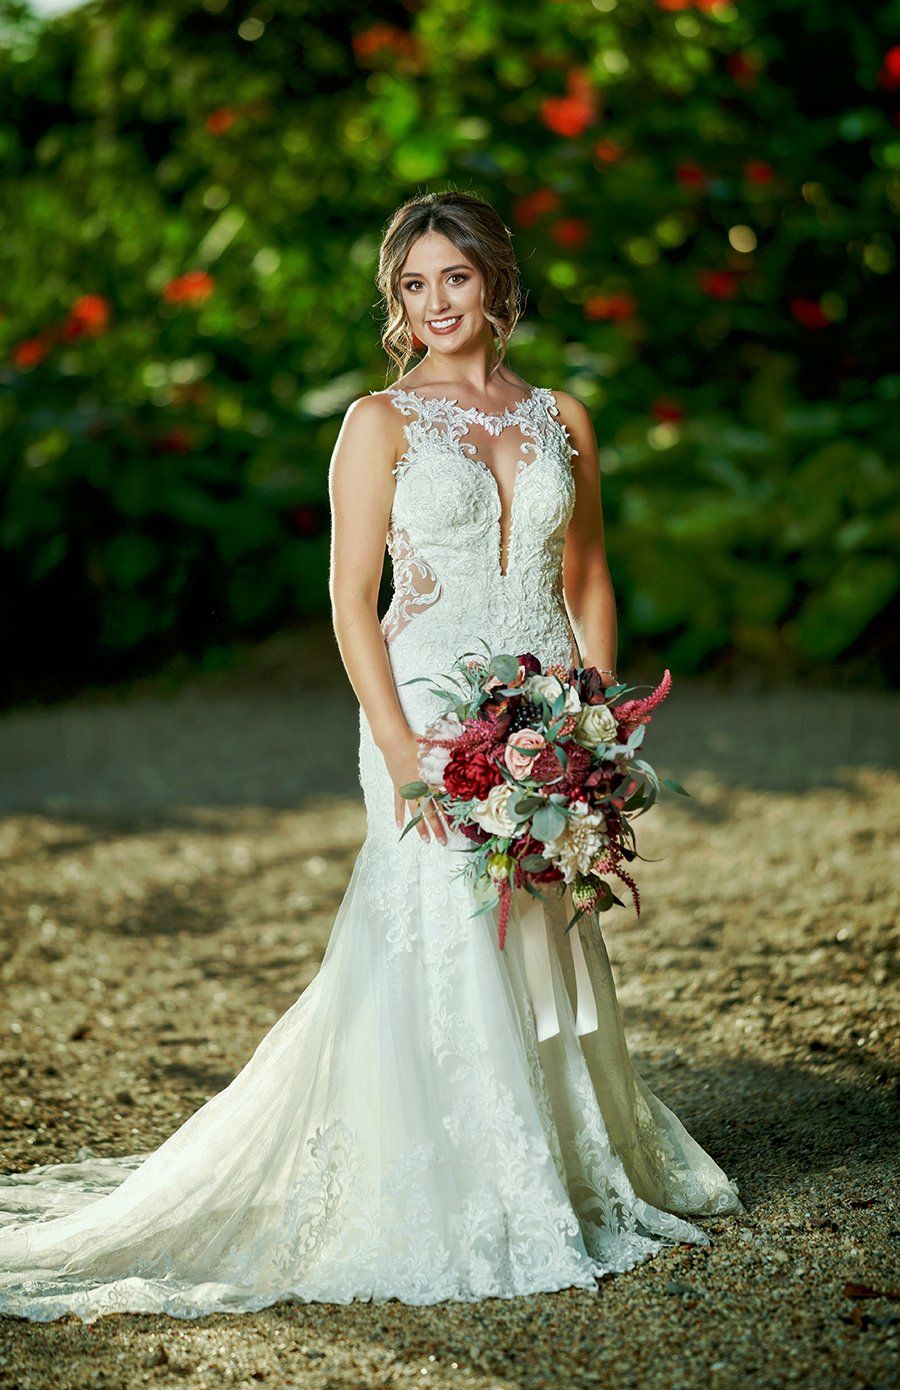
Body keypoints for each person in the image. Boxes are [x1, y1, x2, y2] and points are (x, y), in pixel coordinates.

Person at [0, 190, 742, 1324]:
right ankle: (451, 1185)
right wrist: (401, 747)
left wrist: (597, 714)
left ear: (496, 281)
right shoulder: (377, 422)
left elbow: (586, 573)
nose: (436, 301)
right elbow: (352, 600)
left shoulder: (564, 416)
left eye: (456, 276)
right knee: (445, 921)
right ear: (397, 301)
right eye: (413, 283)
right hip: (429, 707)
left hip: (551, 705)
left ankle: (560, 1160)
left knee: (544, 913)